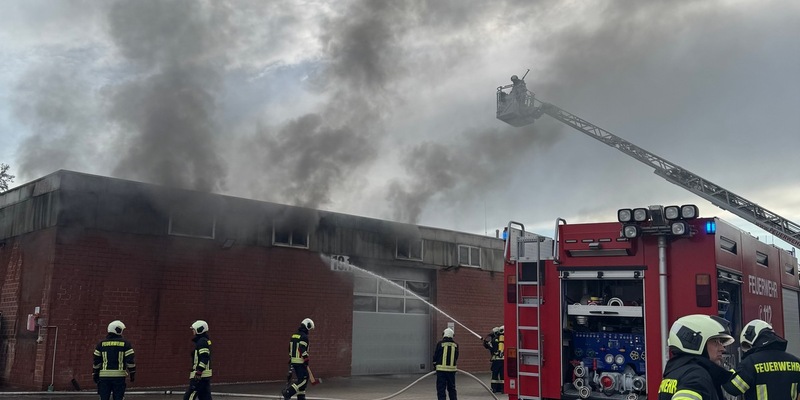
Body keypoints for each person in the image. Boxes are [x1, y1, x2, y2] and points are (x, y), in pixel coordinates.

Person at [658, 314, 735, 400]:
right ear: (695, 342)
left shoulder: (676, 373)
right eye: (715, 342)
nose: (722, 349)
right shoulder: (696, 377)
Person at [722, 319, 800, 400]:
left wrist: (724, 372)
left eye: (748, 346)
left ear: (752, 337)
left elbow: (733, 388)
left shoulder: (751, 363)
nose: (748, 350)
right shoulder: (796, 362)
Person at [92, 320, 136, 400]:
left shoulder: (101, 344)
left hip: (104, 378)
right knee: (118, 398)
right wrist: (132, 373)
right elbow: (130, 361)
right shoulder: (126, 344)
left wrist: (95, 374)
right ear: (118, 330)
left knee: (104, 398)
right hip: (119, 378)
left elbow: (96, 362)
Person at [283, 318, 315, 400]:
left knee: (302, 382)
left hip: (294, 361)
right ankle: (288, 392)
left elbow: (289, 348)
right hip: (300, 362)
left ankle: (301, 397)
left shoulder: (294, 335)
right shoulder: (304, 337)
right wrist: (306, 359)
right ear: (307, 326)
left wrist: (291, 359)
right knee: (303, 380)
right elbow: (302, 348)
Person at [185, 320, 213, 400]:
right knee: (205, 397)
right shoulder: (203, 341)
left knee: (189, 396)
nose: (192, 331)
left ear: (199, 330)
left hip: (200, 376)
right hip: (204, 376)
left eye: (193, 330)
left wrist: (199, 371)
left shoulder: (202, 342)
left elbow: (204, 357)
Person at [433, 327, 459, 400]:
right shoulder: (456, 345)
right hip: (451, 371)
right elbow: (456, 357)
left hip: (441, 371)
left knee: (441, 389)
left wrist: (434, 365)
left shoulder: (440, 344)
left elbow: (436, 356)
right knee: (452, 388)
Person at [483, 326, 505, 393]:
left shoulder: (494, 339)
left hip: (496, 361)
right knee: (502, 375)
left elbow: (488, 346)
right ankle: (503, 389)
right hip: (503, 361)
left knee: (494, 375)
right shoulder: (506, 340)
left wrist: (485, 342)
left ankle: (494, 389)